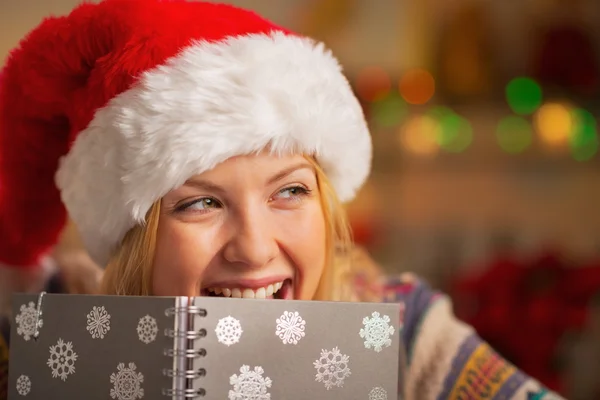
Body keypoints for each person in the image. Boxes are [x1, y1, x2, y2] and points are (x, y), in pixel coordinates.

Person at [0, 1, 564, 399]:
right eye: (201, 204)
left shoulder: (404, 330)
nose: (253, 249)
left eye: (290, 191)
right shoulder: (43, 340)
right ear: (131, 234)